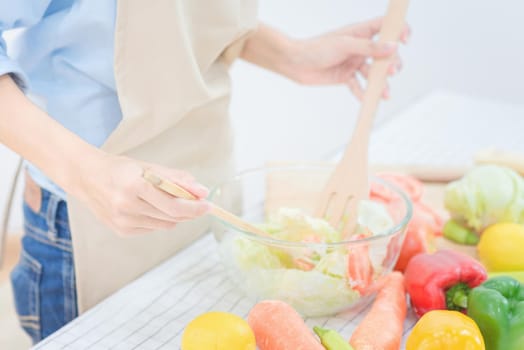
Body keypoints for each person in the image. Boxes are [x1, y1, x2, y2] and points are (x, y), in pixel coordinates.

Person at [0, 0, 408, 344]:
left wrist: (290, 55)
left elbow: (186, 17)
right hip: (88, 228)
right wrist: (91, 173)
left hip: (210, 203)